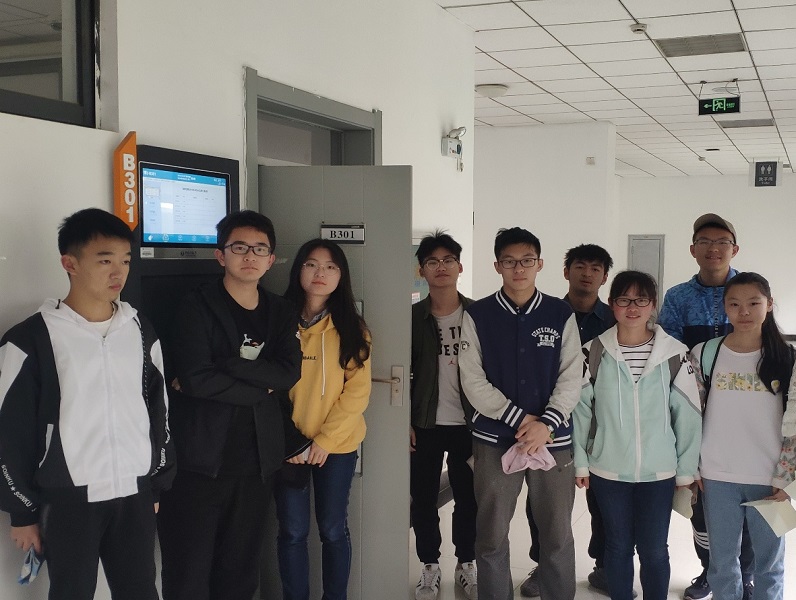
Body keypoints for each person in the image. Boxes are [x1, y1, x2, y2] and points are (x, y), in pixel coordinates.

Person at [0, 208, 174, 600]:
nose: (119, 272)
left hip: (134, 493)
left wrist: (155, 485)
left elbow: (159, 409)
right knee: (72, 593)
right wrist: (22, 511)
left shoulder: (140, 330)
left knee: (141, 591)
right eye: (105, 261)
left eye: (125, 261)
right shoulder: (30, 339)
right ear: (70, 264)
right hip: (68, 498)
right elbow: (10, 429)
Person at [158, 210, 304, 600]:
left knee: (239, 573)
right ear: (221, 255)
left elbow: (288, 373)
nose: (250, 256)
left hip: (257, 463)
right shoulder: (196, 305)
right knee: (188, 572)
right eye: (240, 247)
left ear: (271, 260)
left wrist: (229, 365)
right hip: (199, 462)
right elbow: (195, 377)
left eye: (260, 249)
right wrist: (260, 388)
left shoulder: (280, 311)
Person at [459, 227, 581, 600]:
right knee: (491, 535)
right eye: (509, 261)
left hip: (552, 441)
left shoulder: (560, 313)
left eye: (527, 260)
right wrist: (520, 419)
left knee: (556, 535)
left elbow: (572, 376)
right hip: (495, 440)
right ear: (497, 266)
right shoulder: (478, 314)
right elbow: (472, 379)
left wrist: (546, 424)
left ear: (539, 264)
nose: (519, 269)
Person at [574, 270, 702, 600]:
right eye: (624, 300)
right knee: (617, 546)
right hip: (607, 469)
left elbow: (687, 415)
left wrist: (686, 471)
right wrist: (581, 462)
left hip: (659, 472)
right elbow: (580, 412)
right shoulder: (592, 352)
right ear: (611, 304)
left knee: (654, 549)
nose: (633, 307)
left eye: (641, 300)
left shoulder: (675, 353)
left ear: (653, 304)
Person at [658, 213, 754, 600]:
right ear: (693, 249)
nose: (713, 249)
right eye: (705, 241)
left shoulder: (750, 289)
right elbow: (669, 353)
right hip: (696, 412)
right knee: (701, 497)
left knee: (749, 498)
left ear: (735, 248)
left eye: (721, 241)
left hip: (745, 411)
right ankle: (710, 570)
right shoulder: (678, 297)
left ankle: (746, 574)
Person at [277, 238, 372, 600]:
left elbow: (357, 392)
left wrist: (324, 441)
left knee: (333, 529)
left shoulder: (352, 328)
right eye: (312, 264)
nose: (321, 273)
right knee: (292, 532)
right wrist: (292, 442)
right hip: (288, 446)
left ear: (340, 276)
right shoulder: (277, 320)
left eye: (331, 267)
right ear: (298, 269)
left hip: (337, 447)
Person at [692, 272, 796, 600]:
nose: (744, 311)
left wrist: (788, 480)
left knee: (770, 564)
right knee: (722, 564)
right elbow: (689, 416)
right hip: (717, 475)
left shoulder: (787, 357)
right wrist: (692, 467)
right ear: (724, 307)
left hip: (770, 478)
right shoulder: (705, 353)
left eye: (754, 303)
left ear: (769, 305)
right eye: (735, 304)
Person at [521, 243, 616, 597]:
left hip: (601, 423)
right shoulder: (544, 313)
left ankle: (605, 566)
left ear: (604, 277)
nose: (587, 273)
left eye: (595, 268)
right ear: (565, 272)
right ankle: (544, 566)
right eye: (580, 266)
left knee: (604, 501)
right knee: (543, 502)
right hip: (550, 422)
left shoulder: (615, 319)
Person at [410, 231, 477, 600]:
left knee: (469, 498)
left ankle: (466, 563)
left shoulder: (479, 315)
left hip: (470, 425)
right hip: (425, 425)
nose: (441, 267)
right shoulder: (412, 318)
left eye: (448, 260)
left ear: (459, 267)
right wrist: (403, 422)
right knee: (423, 499)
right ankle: (429, 566)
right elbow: (400, 372)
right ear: (421, 270)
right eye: (432, 262)